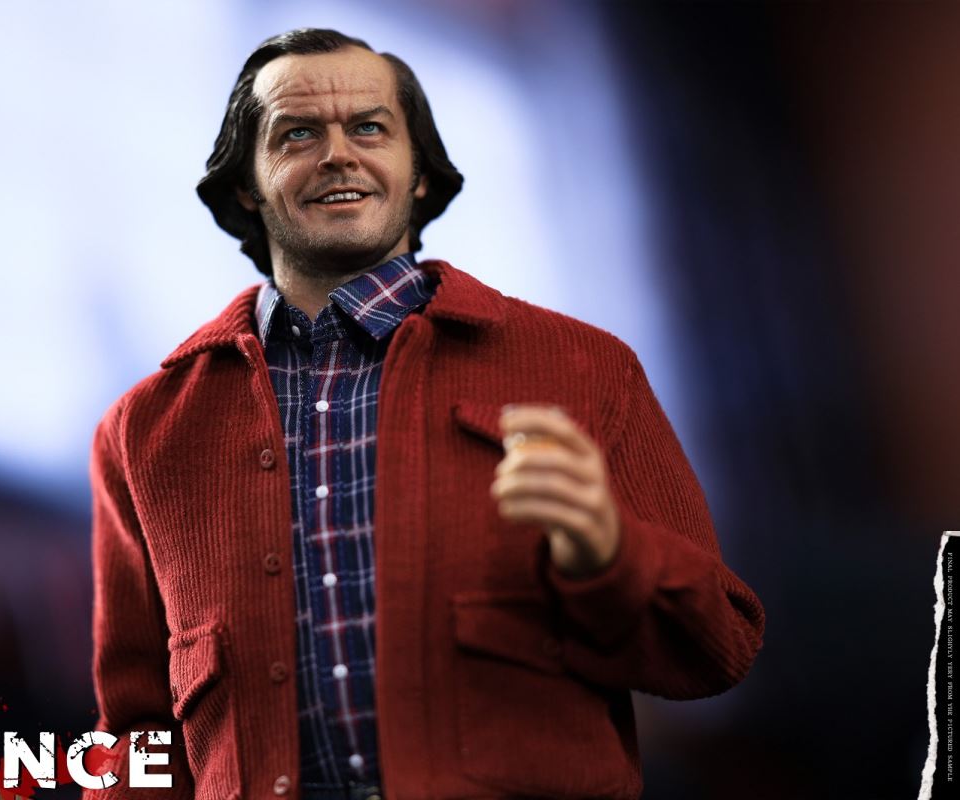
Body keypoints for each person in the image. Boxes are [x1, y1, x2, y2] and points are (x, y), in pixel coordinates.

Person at [86, 28, 764, 800]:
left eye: (369, 127)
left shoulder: (585, 369)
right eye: (296, 133)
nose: (337, 154)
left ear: (417, 177)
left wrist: (608, 554)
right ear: (245, 186)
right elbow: (137, 733)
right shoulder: (144, 432)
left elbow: (716, 649)